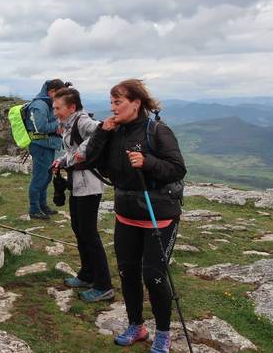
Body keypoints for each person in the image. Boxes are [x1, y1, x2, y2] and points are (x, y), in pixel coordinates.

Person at [85, 79, 186, 353]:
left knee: (153, 275)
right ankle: (136, 326)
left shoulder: (158, 131)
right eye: (111, 103)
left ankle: (163, 333)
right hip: (126, 214)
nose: (113, 108)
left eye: (118, 102)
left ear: (136, 103)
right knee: (127, 273)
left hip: (159, 216)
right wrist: (103, 132)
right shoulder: (114, 132)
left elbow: (178, 168)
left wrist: (148, 162)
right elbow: (92, 161)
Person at [51, 88, 114, 302]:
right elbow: (72, 150)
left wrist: (81, 152)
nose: (55, 112)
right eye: (54, 107)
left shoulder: (82, 121)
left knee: (89, 233)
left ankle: (104, 285)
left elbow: (102, 130)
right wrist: (62, 160)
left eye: (58, 108)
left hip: (90, 185)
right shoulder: (68, 123)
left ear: (72, 107)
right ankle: (87, 275)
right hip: (77, 184)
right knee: (78, 228)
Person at [24, 79, 68, 219]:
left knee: (47, 177)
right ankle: (34, 209)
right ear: (51, 92)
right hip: (40, 146)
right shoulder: (39, 106)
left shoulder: (47, 104)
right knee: (40, 177)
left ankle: (42, 205)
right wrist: (59, 124)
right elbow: (41, 127)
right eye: (59, 94)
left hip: (47, 145)